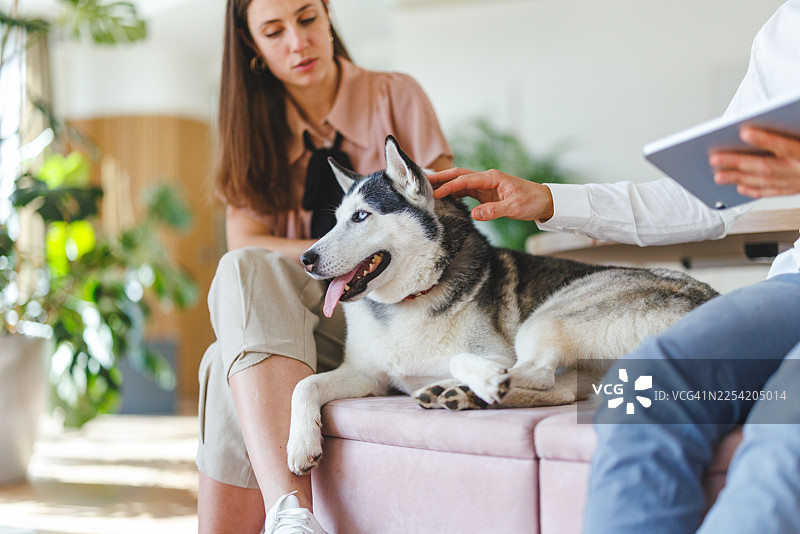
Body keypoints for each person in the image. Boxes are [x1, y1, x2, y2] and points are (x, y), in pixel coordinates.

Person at [430, 1, 800, 532]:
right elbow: (709, 193)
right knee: (640, 384)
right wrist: (550, 200)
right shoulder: (787, 30)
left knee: (786, 420)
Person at [196, 1, 452, 533]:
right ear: (253, 47)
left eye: (307, 18)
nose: (298, 41)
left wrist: (358, 251)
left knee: (227, 362)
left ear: (329, 14)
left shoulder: (394, 94)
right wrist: (334, 252)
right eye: (274, 31)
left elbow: (442, 217)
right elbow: (243, 244)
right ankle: (293, 517)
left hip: (386, 317)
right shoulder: (251, 130)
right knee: (246, 266)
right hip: (294, 321)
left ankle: (289, 515)